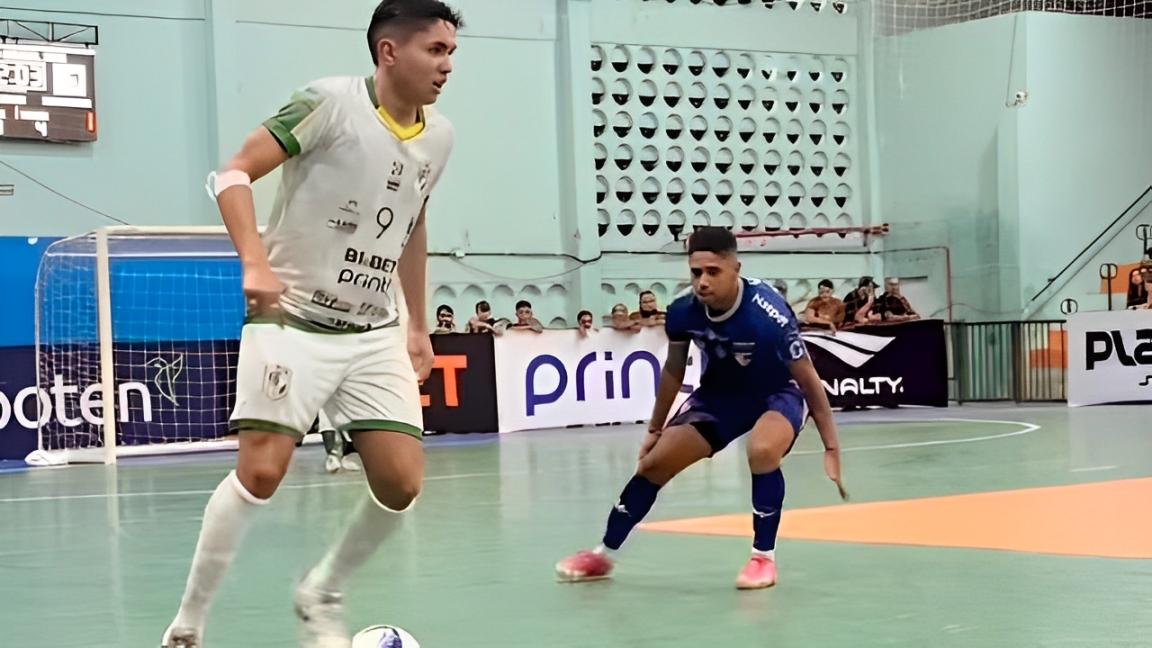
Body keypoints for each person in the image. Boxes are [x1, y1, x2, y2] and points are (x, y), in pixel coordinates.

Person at [161, 2, 462, 647]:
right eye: (435, 50)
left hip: (375, 329)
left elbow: (413, 227)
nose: (446, 65)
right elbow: (232, 173)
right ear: (389, 52)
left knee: (402, 483)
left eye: (450, 53)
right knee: (262, 473)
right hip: (291, 321)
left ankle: (320, 592)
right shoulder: (327, 103)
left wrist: (416, 323)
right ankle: (188, 626)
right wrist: (254, 263)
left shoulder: (439, 138)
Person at [555, 227, 843, 590]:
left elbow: (808, 379)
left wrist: (831, 446)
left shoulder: (768, 315)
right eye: (695, 272)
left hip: (778, 392)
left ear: (735, 268)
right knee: (654, 464)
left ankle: (762, 558)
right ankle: (602, 553)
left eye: (713, 272)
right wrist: (655, 431)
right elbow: (674, 370)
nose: (702, 282)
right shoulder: (683, 312)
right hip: (722, 396)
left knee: (762, 450)